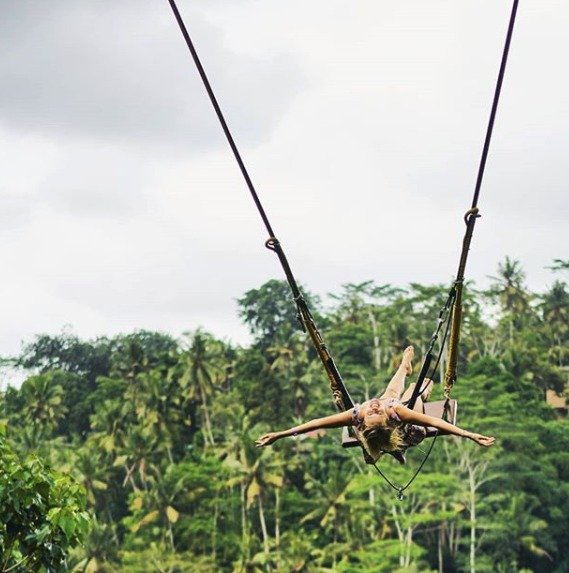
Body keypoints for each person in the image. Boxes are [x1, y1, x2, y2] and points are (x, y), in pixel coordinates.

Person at [255, 346, 495, 463]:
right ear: (387, 419)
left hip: (386, 429)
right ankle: (390, 448)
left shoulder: (359, 414)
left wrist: (279, 434)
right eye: (375, 410)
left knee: (398, 394)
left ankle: (405, 370)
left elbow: (314, 424)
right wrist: (470, 435)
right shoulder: (393, 412)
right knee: (414, 391)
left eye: (373, 410)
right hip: (413, 433)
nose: (373, 407)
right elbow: (433, 422)